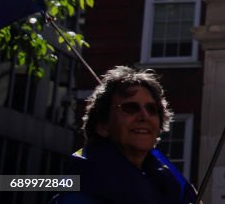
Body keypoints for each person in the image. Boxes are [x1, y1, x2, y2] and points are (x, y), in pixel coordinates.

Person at [52, 66, 197, 204]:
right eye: (130, 108)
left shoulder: (165, 176)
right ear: (103, 126)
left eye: (152, 109)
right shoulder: (82, 181)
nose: (144, 116)